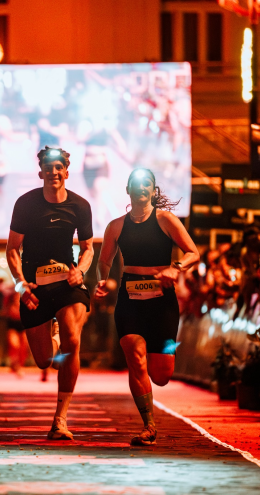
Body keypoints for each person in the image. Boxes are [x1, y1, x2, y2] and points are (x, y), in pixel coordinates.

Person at [94, 168, 199, 446]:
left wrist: (176, 268)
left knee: (161, 376)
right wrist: (102, 279)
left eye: (147, 184)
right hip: (129, 300)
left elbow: (193, 252)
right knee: (135, 356)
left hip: (162, 301)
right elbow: (104, 260)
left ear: (153, 191)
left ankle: (155, 382)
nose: (141, 188)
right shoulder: (116, 226)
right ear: (127, 190)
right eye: (136, 184)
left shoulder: (166, 220)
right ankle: (149, 425)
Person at [5, 146, 94, 441]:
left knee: (73, 338)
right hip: (34, 287)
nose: (53, 172)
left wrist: (81, 270)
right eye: (48, 167)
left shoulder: (80, 205)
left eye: (58, 167)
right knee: (44, 361)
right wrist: (21, 284)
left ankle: (60, 419)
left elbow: (88, 248)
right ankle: (53, 335)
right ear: (40, 172)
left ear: (66, 172)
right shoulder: (25, 204)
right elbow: (12, 250)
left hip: (68, 283)